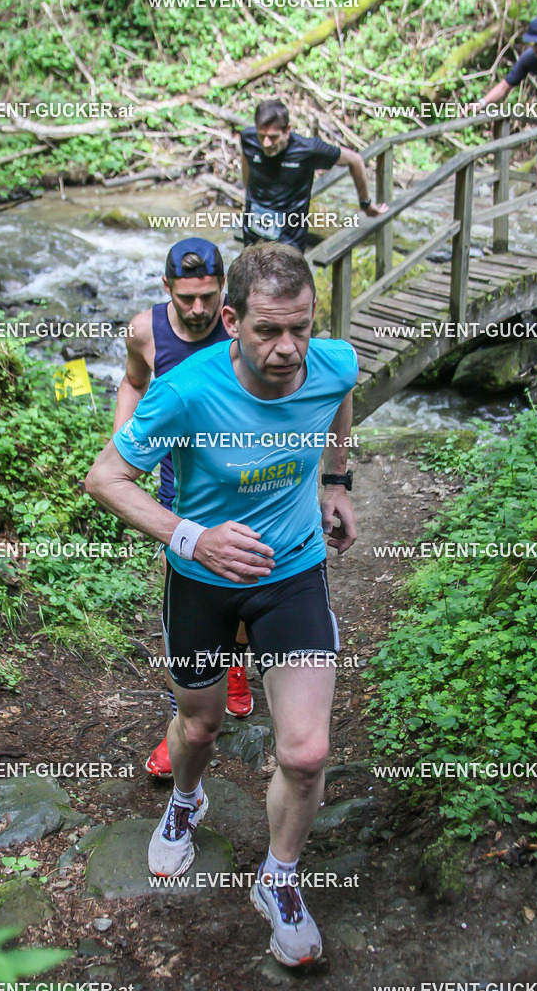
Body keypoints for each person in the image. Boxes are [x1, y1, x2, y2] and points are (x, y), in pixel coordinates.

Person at [86, 242, 358, 967]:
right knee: (200, 727)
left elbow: (338, 397)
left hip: (292, 571)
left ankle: (278, 879)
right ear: (231, 321)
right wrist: (192, 538)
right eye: (268, 331)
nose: (287, 349)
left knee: (305, 751)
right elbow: (105, 477)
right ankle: (185, 799)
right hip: (202, 579)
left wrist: (337, 480)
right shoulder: (186, 390)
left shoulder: (333, 362)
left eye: (299, 327)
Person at [112, 237, 254, 780]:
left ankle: (235, 665)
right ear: (166, 287)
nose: (198, 310)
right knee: (186, 600)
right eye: (187, 297)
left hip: (245, 485)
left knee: (243, 578)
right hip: (179, 491)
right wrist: (125, 436)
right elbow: (132, 381)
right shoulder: (145, 330)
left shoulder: (243, 325)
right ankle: (185, 720)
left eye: (209, 297)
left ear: (224, 296)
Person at [472, 14, 537, 256]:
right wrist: (482, 103)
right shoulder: (531, 59)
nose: (536, 48)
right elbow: (506, 86)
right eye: (533, 43)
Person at [240, 98, 387, 252]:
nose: (266, 143)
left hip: (288, 246)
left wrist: (366, 204)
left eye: (273, 137)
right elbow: (247, 158)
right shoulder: (248, 138)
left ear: (287, 130)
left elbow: (355, 160)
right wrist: (248, 193)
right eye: (261, 136)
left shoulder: (308, 149)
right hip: (253, 238)